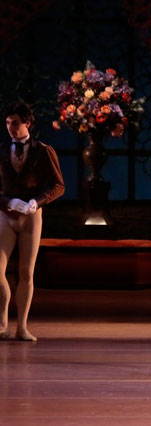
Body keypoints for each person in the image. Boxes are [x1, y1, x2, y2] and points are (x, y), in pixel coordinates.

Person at [1, 102, 65, 341]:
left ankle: (22, 327)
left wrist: (38, 201)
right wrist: (7, 201)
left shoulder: (43, 150)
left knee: (26, 272)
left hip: (31, 216)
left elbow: (59, 185)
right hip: (5, 214)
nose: (10, 127)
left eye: (15, 123)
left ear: (27, 123)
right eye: (7, 123)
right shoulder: (1, 149)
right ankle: (2, 322)